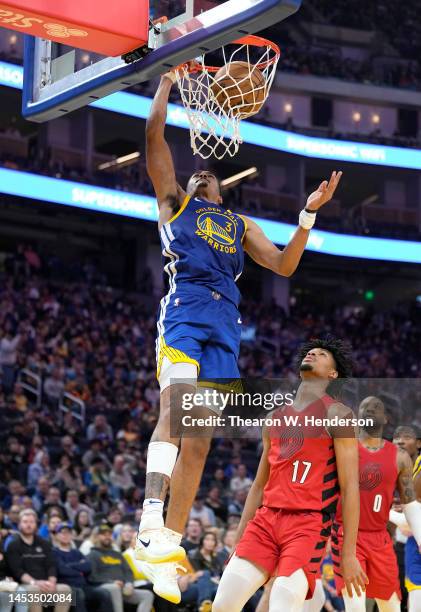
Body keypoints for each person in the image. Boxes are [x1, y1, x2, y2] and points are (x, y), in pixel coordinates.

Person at [136, 65, 343, 603]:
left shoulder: (240, 226)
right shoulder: (173, 204)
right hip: (185, 313)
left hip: (226, 329)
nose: (203, 175)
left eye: (211, 177)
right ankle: (149, 520)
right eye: (196, 174)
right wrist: (166, 84)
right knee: (176, 410)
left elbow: (284, 266)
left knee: (201, 442)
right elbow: (154, 137)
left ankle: (166, 548)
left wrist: (306, 216)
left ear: (222, 190)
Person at [212, 337, 367, 611]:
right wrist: (239, 537)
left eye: (321, 354)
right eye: (310, 352)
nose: (313, 354)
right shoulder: (274, 418)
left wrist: (349, 553)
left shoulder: (338, 415)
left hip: (308, 525)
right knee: (223, 604)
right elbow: (259, 485)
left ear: (333, 374)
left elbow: (350, 487)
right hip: (265, 522)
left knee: (283, 603)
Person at [332, 397, 421, 611]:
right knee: (355, 605)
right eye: (364, 408)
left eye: (376, 408)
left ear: (385, 418)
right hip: (347, 536)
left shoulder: (400, 457)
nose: (370, 411)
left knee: (391, 606)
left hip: (380, 538)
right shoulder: (343, 448)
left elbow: (411, 505)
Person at [5, 509, 72, 612]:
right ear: (19, 525)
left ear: (36, 524)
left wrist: (52, 582)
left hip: (46, 584)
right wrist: (35, 582)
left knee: (65, 589)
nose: (29, 525)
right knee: (33, 591)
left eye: (31, 522)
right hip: (24, 585)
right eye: (25, 522)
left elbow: (51, 565)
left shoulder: (44, 543)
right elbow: (17, 571)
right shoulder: (13, 545)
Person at [87, 522, 154, 612]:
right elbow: (93, 576)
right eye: (103, 534)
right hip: (105, 586)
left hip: (123, 588)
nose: (107, 537)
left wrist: (129, 583)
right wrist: (111, 582)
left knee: (147, 595)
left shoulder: (117, 554)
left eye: (109, 534)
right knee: (115, 588)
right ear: (97, 537)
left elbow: (128, 571)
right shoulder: (92, 555)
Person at [53, 521, 112, 612]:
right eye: (63, 532)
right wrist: (79, 567)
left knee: (104, 593)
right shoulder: (54, 552)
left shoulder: (76, 552)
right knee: (78, 594)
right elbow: (61, 570)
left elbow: (88, 567)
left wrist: (69, 566)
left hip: (83, 585)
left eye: (69, 532)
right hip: (67, 586)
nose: (66, 535)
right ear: (57, 535)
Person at [393, 425, 421, 612]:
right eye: (397, 437)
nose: (400, 440)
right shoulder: (402, 468)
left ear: (418, 443)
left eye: (407, 437)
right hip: (410, 541)